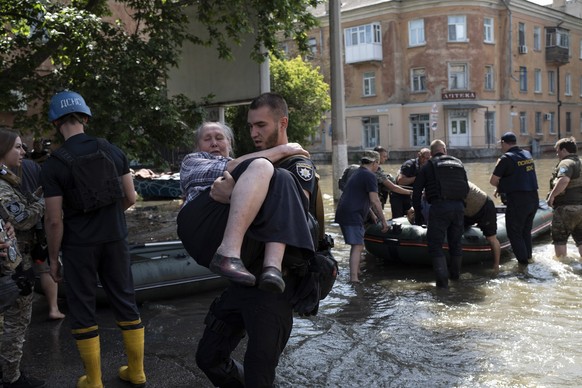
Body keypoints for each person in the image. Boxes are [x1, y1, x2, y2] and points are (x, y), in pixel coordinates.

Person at [194, 92, 320, 387]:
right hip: (242, 279)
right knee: (208, 357)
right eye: (250, 126)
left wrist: (232, 196)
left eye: (261, 125)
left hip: (273, 287)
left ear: (282, 122)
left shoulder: (295, 164)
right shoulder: (253, 162)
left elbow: (296, 213)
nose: (253, 133)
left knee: (259, 373)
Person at [41, 91, 146, 388]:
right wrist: (109, 217)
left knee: (83, 308)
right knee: (125, 301)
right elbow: (130, 197)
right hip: (115, 239)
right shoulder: (113, 151)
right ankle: (137, 372)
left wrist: (53, 258)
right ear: (85, 118)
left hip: (79, 246)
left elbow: (53, 219)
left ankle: (94, 380)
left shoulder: (54, 165)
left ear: (56, 123)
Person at [177, 121, 314, 293]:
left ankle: (272, 267)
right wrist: (284, 149)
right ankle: (228, 253)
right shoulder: (192, 161)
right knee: (262, 165)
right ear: (197, 146)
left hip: (237, 231)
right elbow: (232, 166)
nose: (214, 143)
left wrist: (232, 195)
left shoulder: (247, 171)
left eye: (219, 138)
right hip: (201, 224)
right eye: (207, 139)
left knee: (283, 177)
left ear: (229, 143)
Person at [0, 128, 46, 388]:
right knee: (16, 324)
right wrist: (46, 200)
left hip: (16, 262)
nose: (23, 151)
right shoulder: (2, 186)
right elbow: (24, 218)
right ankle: (12, 378)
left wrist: (38, 194)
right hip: (13, 267)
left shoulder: (8, 181)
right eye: (17, 147)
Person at [13, 158, 65, 320]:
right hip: (39, 224)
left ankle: (18, 312)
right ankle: (53, 308)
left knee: (17, 267)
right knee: (43, 265)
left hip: (17, 228)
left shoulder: (7, 171)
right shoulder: (32, 166)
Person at [412, 139, 469, 288]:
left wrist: (418, 214)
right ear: (444, 150)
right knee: (456, 244)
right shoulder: (458, 163)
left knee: (435, 245)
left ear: (431, 153)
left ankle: (442, 285)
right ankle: (456, 279)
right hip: (458, 207)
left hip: (440, 207)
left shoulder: (428, 165)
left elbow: (416, 192)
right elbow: (466, 187)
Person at [335, 150, 389, 283]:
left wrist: (371, 213)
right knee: (358, 246)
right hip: (352, 213)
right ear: (375, 163)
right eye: (378, 164)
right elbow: (375, 200)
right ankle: (354, 278)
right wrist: (384, 221)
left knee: (357, 245)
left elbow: (358, 195)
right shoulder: (370, 176)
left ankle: (357, 271)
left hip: (345, 211)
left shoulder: (357, 172)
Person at [490, 131, 539, 266]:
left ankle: (523, 265)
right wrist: (503, 187)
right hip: (534, 198)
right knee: (525, 231)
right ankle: (528, 258)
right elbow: (520, 175)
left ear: (503, 143)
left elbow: (493, 181)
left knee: (514, 233)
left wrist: (500, 186)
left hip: (519, 201)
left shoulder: (505, 158)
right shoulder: (527, 154)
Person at [338, 147, 411, 212]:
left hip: (346, 206)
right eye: (384, 156)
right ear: (376, 159)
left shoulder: (352, 168)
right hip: (365, 208)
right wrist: (411, 193)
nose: (386, 158)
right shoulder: (374, 173)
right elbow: (392, 187)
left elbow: (341, 183)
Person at [547, 136, 582, 258]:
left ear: (564, 150)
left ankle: (562, 265)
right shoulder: (580, 162)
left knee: (560, 239)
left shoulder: (566, 163)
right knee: (581, 240)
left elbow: (564, 180)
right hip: (580, 209)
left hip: (566, 209)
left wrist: (552, 196)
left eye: (558, 151)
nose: (557, 154)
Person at [464, 181, 501, 271]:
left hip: (484, 207)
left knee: (491, 238)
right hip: (467, 212)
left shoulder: (457, 182)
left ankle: (496, 266)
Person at [391, 147, 431, 218]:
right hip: (399, 195)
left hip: (413, 195)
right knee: (398, 219)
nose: (425, 160)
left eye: (427, 158)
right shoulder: (410, 164)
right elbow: (401, 181)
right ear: (418, 155)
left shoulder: (429, 166)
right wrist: (418, 178)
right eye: (423, 157)